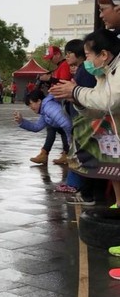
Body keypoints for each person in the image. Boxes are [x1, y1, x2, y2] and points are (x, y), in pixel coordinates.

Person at [49, 29, 120, 211]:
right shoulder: (104, 73)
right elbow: (98, 111)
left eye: (88, 56)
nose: (86, 62)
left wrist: (75, 91)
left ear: (103, 54)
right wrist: (77, 101)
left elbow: (109, 100)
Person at [28, 45, 73, 165]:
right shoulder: (59, 67)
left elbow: (63, 82)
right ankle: (56, 153)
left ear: (58, 55)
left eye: (51, 57)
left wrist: (49, 79)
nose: (50, 60)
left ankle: (62, 152)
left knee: (58, 127)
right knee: (53, 127)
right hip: (57, 100)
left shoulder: (64, 65)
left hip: (60, 101)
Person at [14, 89, 72, 167]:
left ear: (39, 101)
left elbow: (66, 124)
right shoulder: (44, 111)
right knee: (51, 128)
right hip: (61, 126)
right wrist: (21, 121)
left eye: (31, 104)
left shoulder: (49, 107)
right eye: (29, 106)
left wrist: (70, 141)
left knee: (54, 129)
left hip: (71, 126)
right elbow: (36, 127)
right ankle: (58, 154)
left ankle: (64, 154)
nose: (30, 107)